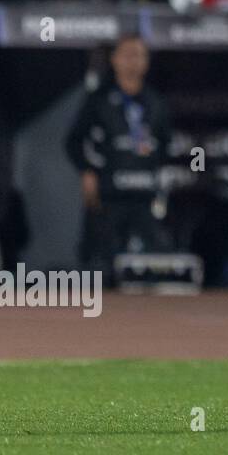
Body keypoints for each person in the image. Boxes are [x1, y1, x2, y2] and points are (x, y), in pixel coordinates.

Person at [65, 34, 173, 282]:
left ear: (147, 61)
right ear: (114, 59)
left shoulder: (155, 102)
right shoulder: (99, 99)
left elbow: (167, 145)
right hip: (109, 194)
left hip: (145, 195)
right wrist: (87, 171)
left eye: (139, 55)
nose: (133, 62)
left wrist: (161, 175)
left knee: (156, 263)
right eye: (127, 55)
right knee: (100, 265)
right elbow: (73, 141)